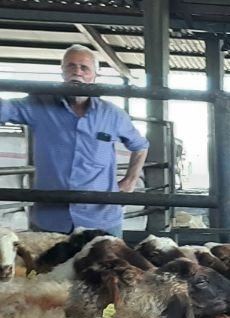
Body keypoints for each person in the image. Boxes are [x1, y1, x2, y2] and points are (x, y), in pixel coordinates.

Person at [0, 44, 149, 237]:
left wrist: (130, 181)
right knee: (49, 267)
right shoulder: (38, 105)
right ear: (62, 71)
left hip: (101, 220)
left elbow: (140, 146)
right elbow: (4, 109)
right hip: (52, 220)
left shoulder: (112, 114)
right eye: (71, 66)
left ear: (94, 76)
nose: (77, 72)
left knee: (105, 267)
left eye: (84, 68)